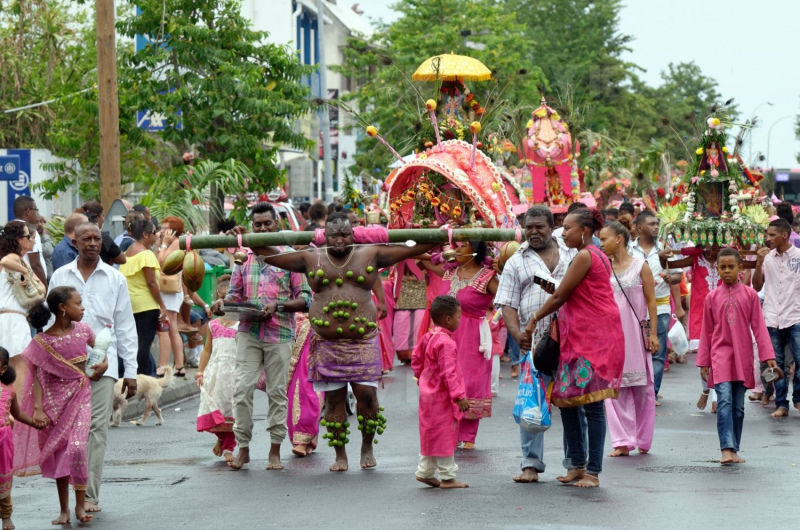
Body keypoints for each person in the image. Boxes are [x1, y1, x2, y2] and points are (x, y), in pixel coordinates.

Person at [245, 211, 439, 472]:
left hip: (363, 340)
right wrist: (248, 235)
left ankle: (367, 447)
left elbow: (415, 247)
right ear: (323, 235)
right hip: (327, 343)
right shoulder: (309, 257)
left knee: (368, 398)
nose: (339, 240)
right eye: (334, 234)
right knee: (333, 401)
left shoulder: (370, 254)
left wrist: (441, 233)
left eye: (345, 234)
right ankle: (340, 454)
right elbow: (264, 251)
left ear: (354, 234)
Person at [525, 207, 625, 488]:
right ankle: (577, 466)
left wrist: (533, 319)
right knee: (567, 400)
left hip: (593, 338)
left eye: (567, 228)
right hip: (577, 336)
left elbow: (559, 296)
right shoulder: (593, 255)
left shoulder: (586, 255)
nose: (563, 232)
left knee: (592, 404)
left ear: (584, 231)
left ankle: (592, 472)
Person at [210, 202, 312, 471]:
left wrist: (277, 307)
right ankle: (243, 448)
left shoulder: (290, 257)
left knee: (277, 393)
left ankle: (274, 450)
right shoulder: (244, 258)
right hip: (248, 332)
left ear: (276, 224)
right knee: (241, 390)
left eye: (267, 224)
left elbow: (305, 299)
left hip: (280, 333)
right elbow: (234, 294)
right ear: (252, 227)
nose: (263, 228)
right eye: (258, 225)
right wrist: (223, 304)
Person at [48, 222, 138, 514]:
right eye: (85, 238)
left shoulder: (115, 278)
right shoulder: (61, 276)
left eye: (96, 238)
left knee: (96, 427)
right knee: (69, 429)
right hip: (66, 363)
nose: (91, 243)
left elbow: (125, 325)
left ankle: (89, 495)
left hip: (103, 361)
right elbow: (49, 322)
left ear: (102, 243)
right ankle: (71, 495)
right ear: (74, 242)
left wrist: (131, 371)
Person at [495, 205, 577, 483]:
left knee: (572, 402)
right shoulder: (516, 261)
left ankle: (574, 464)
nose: (533, 232)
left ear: (552, 225)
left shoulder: (573, 251)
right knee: (531, 403)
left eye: (539, 227)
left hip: (573, 339)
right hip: (535, 341)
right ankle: (530, 464)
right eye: (528, 227)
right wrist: (517, 333)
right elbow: (507, 302)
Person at [14, 286, 108, 525]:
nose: (83, 307)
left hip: (81, 397)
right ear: (62, 308)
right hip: (53, 403)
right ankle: (64, 509)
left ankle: (79, 505)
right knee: (60, 454)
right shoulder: (42, 342)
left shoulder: (84, 330)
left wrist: (103, 366)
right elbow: (34, 375)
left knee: (76, 448)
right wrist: (37, 407)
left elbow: (101, 351)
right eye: (78, 303)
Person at [697, 248, 777, 463]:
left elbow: (759, 327)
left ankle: (735, 449)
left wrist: (768, 355)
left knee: (739, 407)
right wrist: (704, 361)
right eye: (722, 267)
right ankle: (726, 448)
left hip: (742, 357)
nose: (726, 271)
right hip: (720, 356)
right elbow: (707, 331)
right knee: (723, 401)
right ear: (717, 269)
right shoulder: (712, 297)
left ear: (740, 268)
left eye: (731, 267)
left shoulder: (750, 295)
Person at [419, 240, 498, 449]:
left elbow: (507, 297)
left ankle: (469, 435)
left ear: (476, 249)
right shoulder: (448, 272)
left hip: (473, 337)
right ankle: (450, 430)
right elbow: (419, 256)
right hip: (444, 336)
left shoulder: (488, 276)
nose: (457, 249)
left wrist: (494, 322)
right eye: (456, 245)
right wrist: (440, 244)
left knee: (470, 381)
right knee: (446, 378)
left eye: (463, 245)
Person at [599, 220, 659, 456]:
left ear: (618, 239)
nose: (601, 243)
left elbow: (652, 301)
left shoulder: (640, 266)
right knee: (614, 389)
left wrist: (653, 333)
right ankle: (622, 441)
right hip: (611, 335)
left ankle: (643, 439)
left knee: (643, 389)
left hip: (636, 333)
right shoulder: (604, 268)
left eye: (604, 239)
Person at [412, 295, 470, 489]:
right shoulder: (446, 342)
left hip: (427, 394)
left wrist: (421, 379)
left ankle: (424, 472)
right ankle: (448, 477)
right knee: (445, 434)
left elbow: (416, 359)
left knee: (430, 432)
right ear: (448, 319)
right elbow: (449, 373)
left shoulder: (428, 336)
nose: (459, 321)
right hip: (442, 396)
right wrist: (459, 396)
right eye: (458, 317)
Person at [629, 210, 681, 404]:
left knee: (657, 354)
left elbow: (678, 276)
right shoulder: (628, 249)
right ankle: (637, 390)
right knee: (637, 351)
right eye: (651, 224)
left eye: (657, 224)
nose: (656, 227)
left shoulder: (667, 248)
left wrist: (670, 277)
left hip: (660, 308)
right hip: (635, 309)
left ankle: (652, 393)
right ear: (640, 227)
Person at [752, 218, 800, 418]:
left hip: (796, 316)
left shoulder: (799, 257)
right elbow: (756, 286)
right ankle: (782, 404)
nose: (767, 239)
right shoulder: (767, 258)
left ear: (785, 236)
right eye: (767, 235)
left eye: (772, 235)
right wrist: (759, 263)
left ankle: (797, 398)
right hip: (772, 318)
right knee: (776, 365)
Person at [197, 276, 239, 463]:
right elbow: (207, 350)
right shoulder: (213, 325)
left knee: (234, 411)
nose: (224, 303)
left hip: (235, 373)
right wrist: (200, 372)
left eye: (228, 298)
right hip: (217, 373)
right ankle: (221, 439)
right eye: (220, 298)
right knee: (218, 410)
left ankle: (229, 447)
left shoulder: (242, 325)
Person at [0, 346, 43, 530]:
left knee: (3, 479)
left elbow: (17, 414)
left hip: (3, 441)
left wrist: (35, 423)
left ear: (3, 369)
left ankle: (6, 516)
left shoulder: (9, 389)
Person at [120, 219, 165, 376]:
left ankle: (132, 376)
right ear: (145, 235)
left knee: (133, 344)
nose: (156, 236)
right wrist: (163, 306)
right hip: (147, 305)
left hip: (130, 304)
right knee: (144, 344)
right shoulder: (146, 254)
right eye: (154, 233)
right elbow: (152, 283)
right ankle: (141, 379)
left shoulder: (126, 254)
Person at [153, 216, 187, 377]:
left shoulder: (176, 243)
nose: (162, 230)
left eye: (165, 227)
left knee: (165, 327)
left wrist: (164, 243)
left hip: (170, 291)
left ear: (174, 230)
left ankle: (163, 365)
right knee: (172, 327)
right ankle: (179, 365)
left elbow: (162, 262)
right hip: (169, 290)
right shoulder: (173, 242)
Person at [0, 221, 39, 359]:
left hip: (13, 318)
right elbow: (4, 262)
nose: (31, 240)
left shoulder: (20, 260)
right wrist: (25, 271)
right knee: (18, 366)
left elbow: (41, 289)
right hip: (12, 320)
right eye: (29, 236)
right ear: (19, 239)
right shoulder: (13, 257)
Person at [12, 196, 47, 287]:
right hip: (31, 284)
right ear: (28, 211)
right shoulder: (30, 231)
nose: (36, 213)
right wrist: (44, 288)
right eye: (36, 210)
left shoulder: (9, 228)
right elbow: (35, 264)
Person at [80, 201, 126, 267]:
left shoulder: (77, 236)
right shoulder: (103, 237)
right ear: (97, 217)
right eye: (103, 216)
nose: (104, 219)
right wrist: (111, 257)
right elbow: (122, 259)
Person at [37, 215, 54, 280]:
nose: (40, 225)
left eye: (42, 222)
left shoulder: (42, 238)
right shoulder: (33, 240)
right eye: (37, 222)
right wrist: (46, 235)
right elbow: (48, 251)